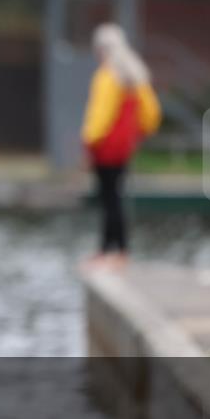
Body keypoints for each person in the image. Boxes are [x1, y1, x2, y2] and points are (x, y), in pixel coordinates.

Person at [80, 23, 161, 270]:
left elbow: (100, 115)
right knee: (116, 197)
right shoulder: (136, 75)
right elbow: (152, 113)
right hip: (124, 147)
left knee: (109, 199)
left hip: (105, 149)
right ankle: (120, 251)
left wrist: (88, 141)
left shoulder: (107, 76)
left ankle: (107, 250)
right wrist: (139, 132)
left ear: (102, 49)